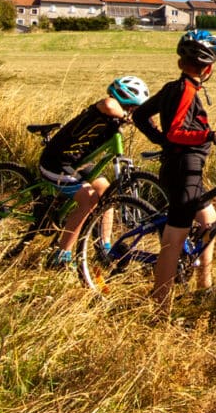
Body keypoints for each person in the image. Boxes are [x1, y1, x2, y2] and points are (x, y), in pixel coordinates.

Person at [128, 29, 216, 302]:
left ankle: (205, 287)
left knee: (210, 222)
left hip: (183, 168)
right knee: (174, 239)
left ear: (181, 63)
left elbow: (141, 115)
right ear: (209, 68)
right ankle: (160, 304)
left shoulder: (173, 87)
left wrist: (161, 141)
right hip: (183, 170)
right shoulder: (186, 91)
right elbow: (178, 131)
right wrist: (211, 135)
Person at [42, 75, 152, 269]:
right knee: (89, 199)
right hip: (57, 161)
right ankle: (61, 255)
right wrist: (128, 116)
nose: (131, 113)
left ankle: (104, 246)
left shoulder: (115, 120)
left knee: (107, 194)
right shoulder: (103, 108)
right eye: (131, 107)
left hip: (80, 163)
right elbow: (109, 104)